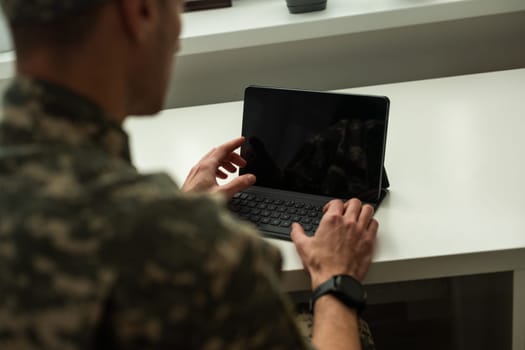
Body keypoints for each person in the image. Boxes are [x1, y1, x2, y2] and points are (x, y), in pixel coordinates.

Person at [0, 0, 379, 349]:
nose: (178, 39)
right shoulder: (204, 251)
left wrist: (177, 211)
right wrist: (335, 280)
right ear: (140, 12)